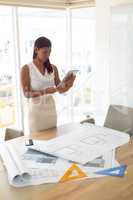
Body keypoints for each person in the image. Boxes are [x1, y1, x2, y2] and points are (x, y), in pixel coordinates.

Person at [21, 36, 75, 133]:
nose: (48, 55)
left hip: (51, 110)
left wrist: (68, 85)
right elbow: (26, 94)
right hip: (36, 112)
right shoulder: (26, 68)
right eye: (45, 52)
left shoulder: (53, 68)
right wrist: (45, 91)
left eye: (49, 52)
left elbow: (60, 89)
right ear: (36, 50)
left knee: (52, 139)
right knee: (37, 141)